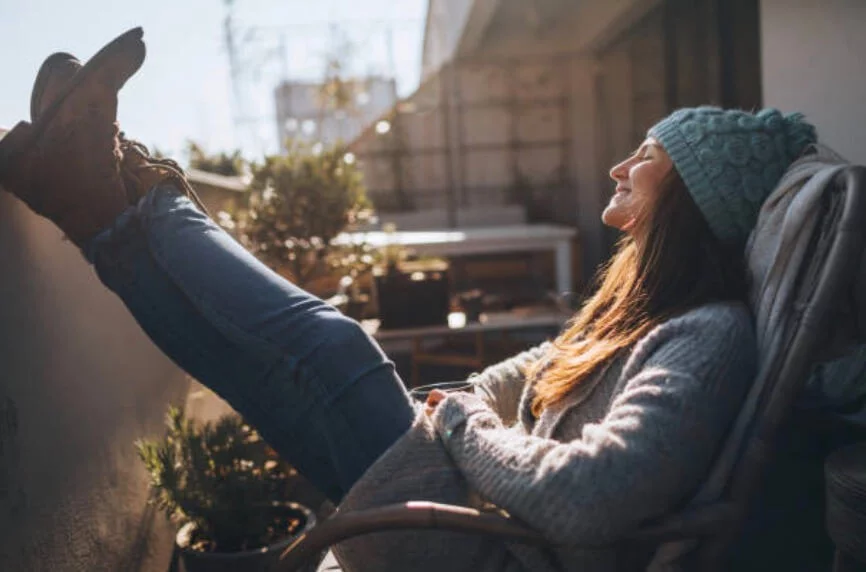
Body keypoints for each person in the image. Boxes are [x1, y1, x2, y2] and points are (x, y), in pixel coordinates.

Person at [0, 30, 819, 572]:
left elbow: (587, 496)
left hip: (485, 549)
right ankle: (88, 206)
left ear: (691, 197)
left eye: (646, 155)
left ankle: (131, 182)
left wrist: (462, 424)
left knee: (339, 348)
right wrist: (468, 401)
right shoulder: (645, 318)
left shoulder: (711, 337)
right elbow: (535, 366)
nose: (618, 167)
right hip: (472, 519)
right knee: (251, 374)